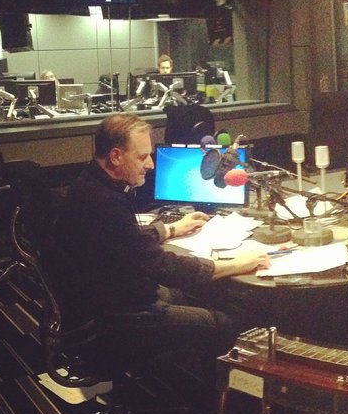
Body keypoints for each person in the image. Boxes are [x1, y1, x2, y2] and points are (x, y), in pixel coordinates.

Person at [51, 113, 269, 361]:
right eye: (142, 157)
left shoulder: (91, 184)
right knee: (228, 323)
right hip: (117, 318)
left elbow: (124, 241)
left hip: (105, 302)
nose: (151, 165)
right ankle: (202, 383)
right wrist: (236, 264)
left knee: (200, 295)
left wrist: (171, 229)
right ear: (115, 156)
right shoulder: (104, 203)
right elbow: (162, 267)